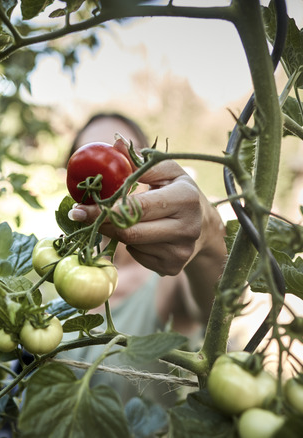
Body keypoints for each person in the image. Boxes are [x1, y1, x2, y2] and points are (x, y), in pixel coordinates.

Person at [58, 113, 228, 406]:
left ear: (149, 174)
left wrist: (209, 237)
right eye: (89, 151)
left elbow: (218, 302)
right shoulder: (59, 266)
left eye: (119, 154)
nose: (101, 167)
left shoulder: (171, 275)